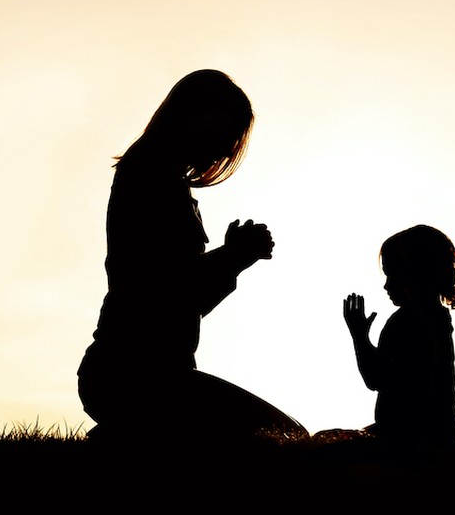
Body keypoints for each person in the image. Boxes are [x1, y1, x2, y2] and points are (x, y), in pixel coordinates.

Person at [77, 69, 307, 442]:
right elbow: (163, 288)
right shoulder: (150, 180)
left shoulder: (160, 181)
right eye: (225, 134)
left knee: (281, 435)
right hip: (136, 375)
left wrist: (236, 259)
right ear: (195, 118)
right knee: (283, 437)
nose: (226, 150)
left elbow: (184, 303)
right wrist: (233, 256)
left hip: (148, 374)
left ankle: (127, 435)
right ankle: (126, 435)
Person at [342, 225, 455, 446]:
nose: (387, 285)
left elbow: (375, 378)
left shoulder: (406, 322)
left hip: (410, 437)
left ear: (415, 273)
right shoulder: (437, 319)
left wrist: (359, 336)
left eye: (392, 275)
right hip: (433, 432)